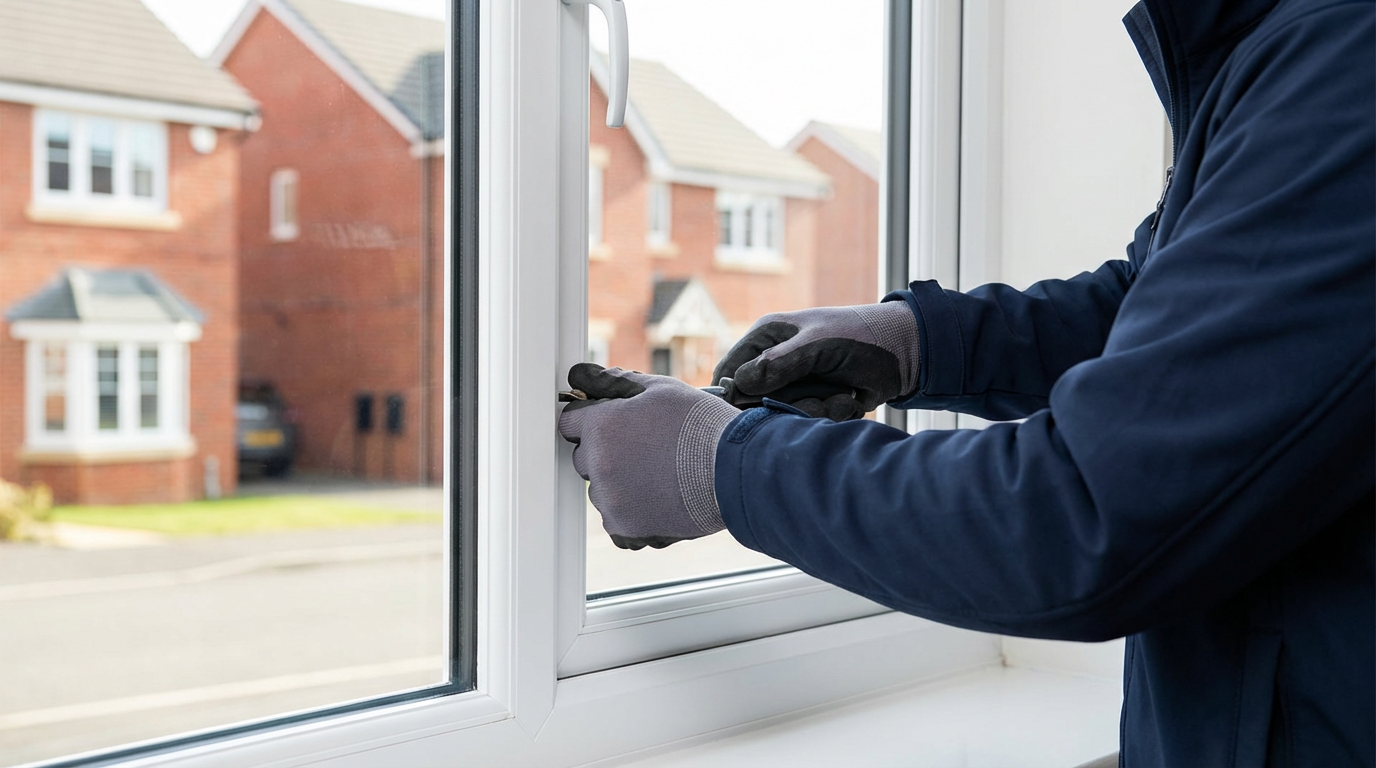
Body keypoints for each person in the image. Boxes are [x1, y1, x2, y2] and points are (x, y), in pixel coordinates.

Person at [558, 0, 1374, 763]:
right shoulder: (1284, 53)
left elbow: (1087, 514)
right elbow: (1174, 308)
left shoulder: (1346, 62)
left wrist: (723, 464)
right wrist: (926, 344)